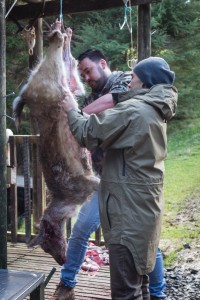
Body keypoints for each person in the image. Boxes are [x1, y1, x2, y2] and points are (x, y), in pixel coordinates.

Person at [53, 51, 172, 300]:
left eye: (135, 79)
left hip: (126, 202)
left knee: (126, 288)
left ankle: (159, 294)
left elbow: (88, 132)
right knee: (140, 277)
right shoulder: (155, 107)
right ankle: (68, 282)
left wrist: (73, 110)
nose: (130, 82)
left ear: (146, 82)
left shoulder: (135, 109)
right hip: (130, 193)